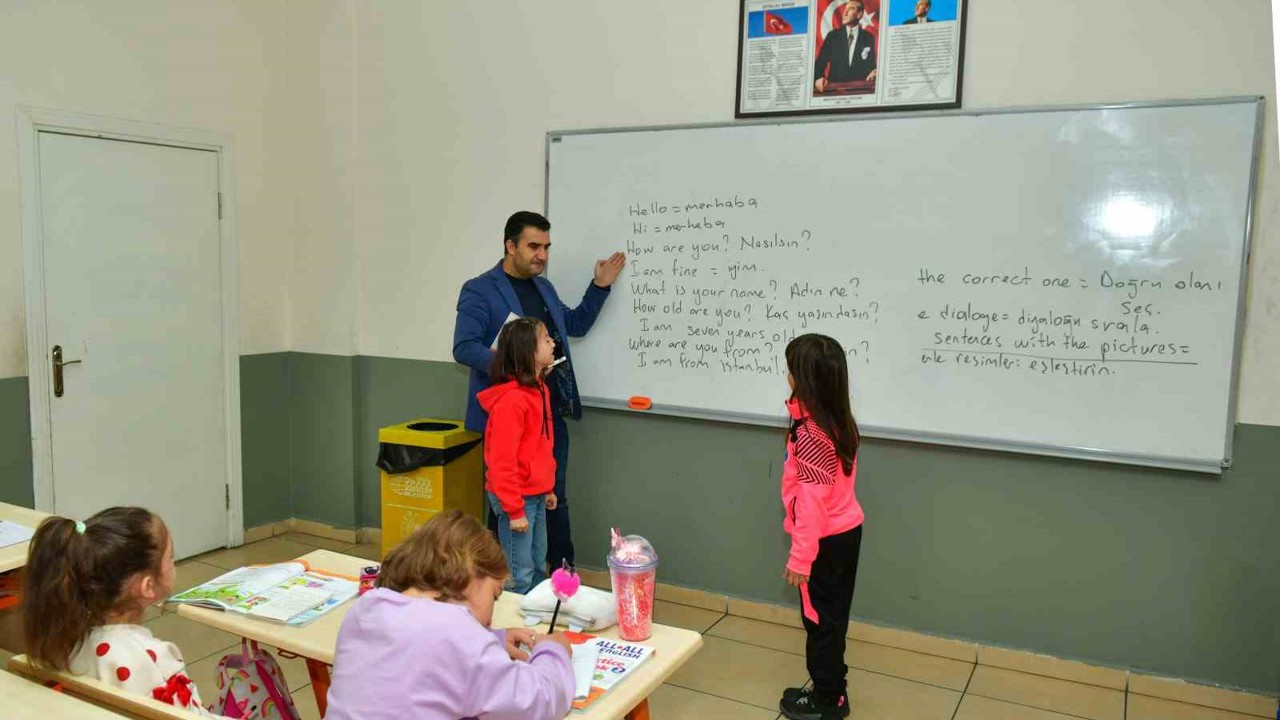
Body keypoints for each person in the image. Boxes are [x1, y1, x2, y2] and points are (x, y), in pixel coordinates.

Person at [453, 211, 625, 571]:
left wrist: (600, 286)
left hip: (548, 412)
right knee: (508, 499)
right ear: (510, 245)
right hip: (509, 414)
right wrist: (514, 366)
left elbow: (573, 324)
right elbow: (464, 347)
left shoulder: (543, 288)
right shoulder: (479, 289)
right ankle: (496, 577)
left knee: (552, 497)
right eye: (533, 246)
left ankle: (562, 578)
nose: (542, 256)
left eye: (546, 247)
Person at [324, 510, 574, 720]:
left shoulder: (365, 609)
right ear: (470, 574)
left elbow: (420, 653)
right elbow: (541, 700)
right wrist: (553, 651)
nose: (490, 618)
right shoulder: (457, 634)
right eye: (494, 596)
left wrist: (492, 639)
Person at [22, 507, 216, 716]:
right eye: (170, 557)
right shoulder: (152, 659)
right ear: (148, 586)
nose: (172, 562)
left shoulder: (63, 638)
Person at [776, 335, 865, 720]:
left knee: (819, 622)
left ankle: (828, 700)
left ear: (806, 380)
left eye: (792, 370)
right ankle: (832, 687)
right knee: (831, 618)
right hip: (844, 533)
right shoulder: (833, 419)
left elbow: (812, 503)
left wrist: (801, 559)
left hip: (824, 542)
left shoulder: (813, 434)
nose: (787, 376)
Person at [479, 317, 558, 594]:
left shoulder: (540, 391)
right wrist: (514, 510)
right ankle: (512, 627)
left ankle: (533, 625)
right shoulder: (512, 402)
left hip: (534, 493)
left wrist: (547, 487)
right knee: (518, 572)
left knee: (537, 563)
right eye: (545, 338)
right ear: (527, 351)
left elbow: (541, 446)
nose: (552, 343)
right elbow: (501, 462)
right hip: (516, 498)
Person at [813, 0, 878, 93]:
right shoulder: (832, 36)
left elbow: (870, 67)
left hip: (859, 92)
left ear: (859, 14)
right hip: (834, 92)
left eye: (851, 9)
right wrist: (818, 78)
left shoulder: (868, 37)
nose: (845, 12)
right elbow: (819, 64)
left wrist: (874, 71)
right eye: (845, 9)